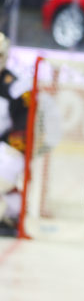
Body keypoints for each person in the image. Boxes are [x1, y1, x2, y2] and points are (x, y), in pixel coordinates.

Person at [0, 32, 30, 236]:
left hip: (8, 147)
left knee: (4, 172)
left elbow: (25, 122)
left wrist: (16, 146)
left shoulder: (15, 86)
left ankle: (13, 215)